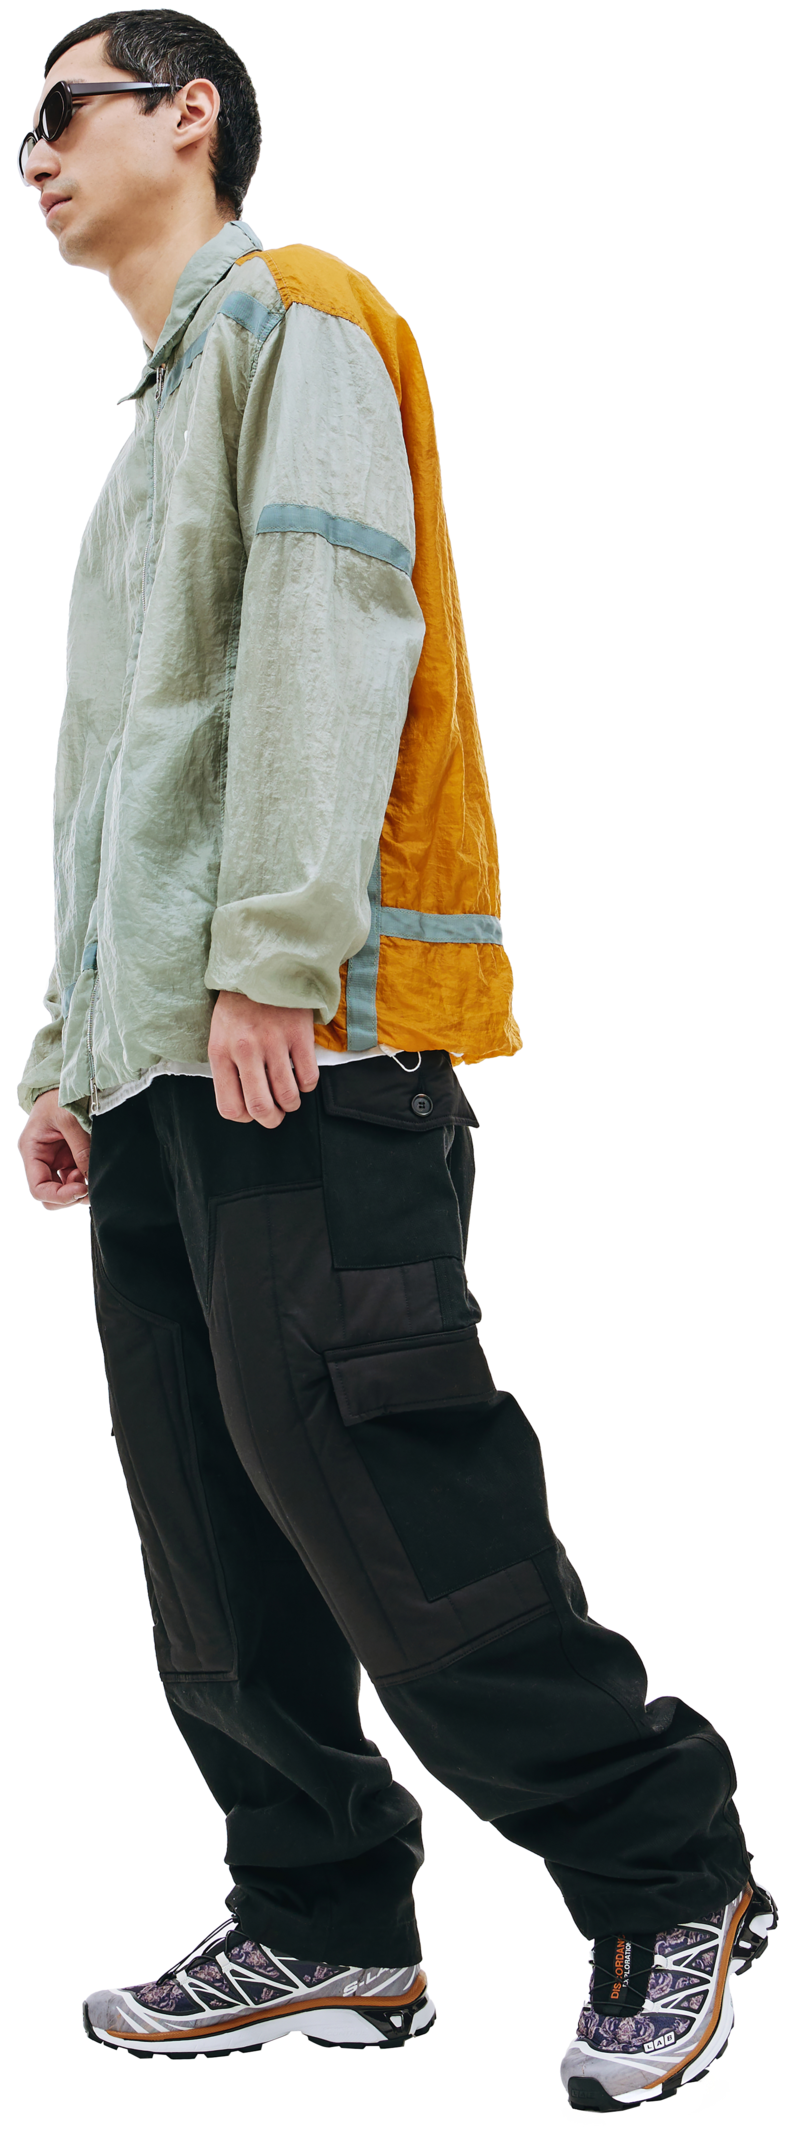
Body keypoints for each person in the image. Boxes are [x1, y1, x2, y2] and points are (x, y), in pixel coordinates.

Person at [16, 9, 776, 2107]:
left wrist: (275, 958)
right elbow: (119, 781)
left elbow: (336, 634)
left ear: (190, 115)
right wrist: (71, 1048)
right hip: (166, 1070)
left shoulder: (302, 319)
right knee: (213, 1525)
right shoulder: (146, 432)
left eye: (63, 110)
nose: (32, 154)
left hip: (306, 1048)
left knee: (384, 1496)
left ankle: (667, 1868)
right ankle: (326, 1913)